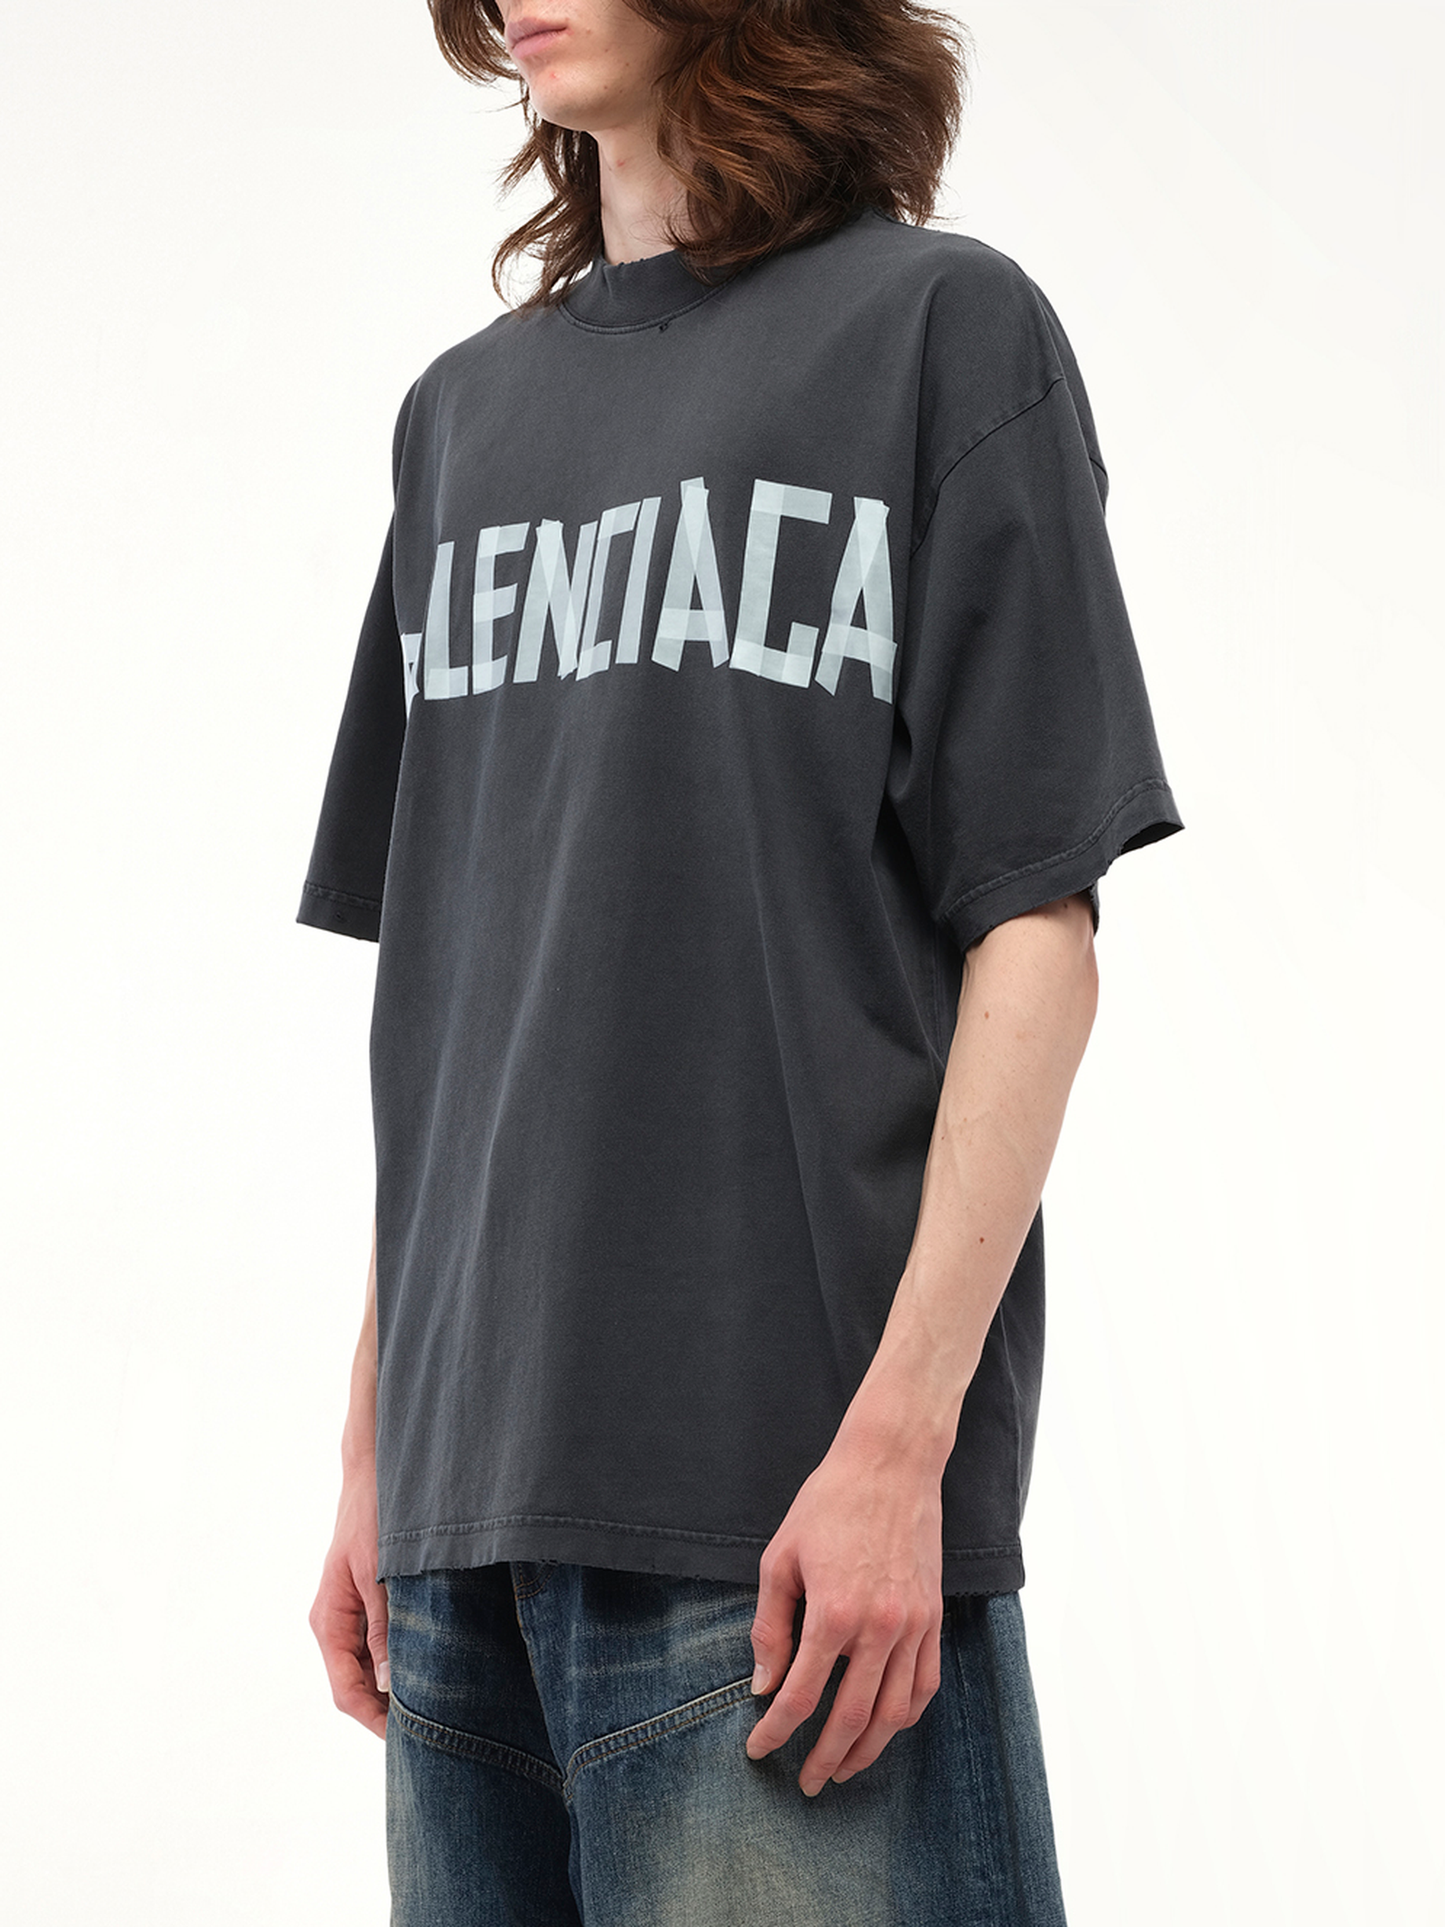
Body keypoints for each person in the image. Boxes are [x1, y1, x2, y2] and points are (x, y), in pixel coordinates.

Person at [298, 2, 1183, 1920]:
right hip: (458, 1562)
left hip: (784, 1536)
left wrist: (900, 1451)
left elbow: (1037, 932)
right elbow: (464, 1002)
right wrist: (377, 1455)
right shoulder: (458, 422)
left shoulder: (939, 334)